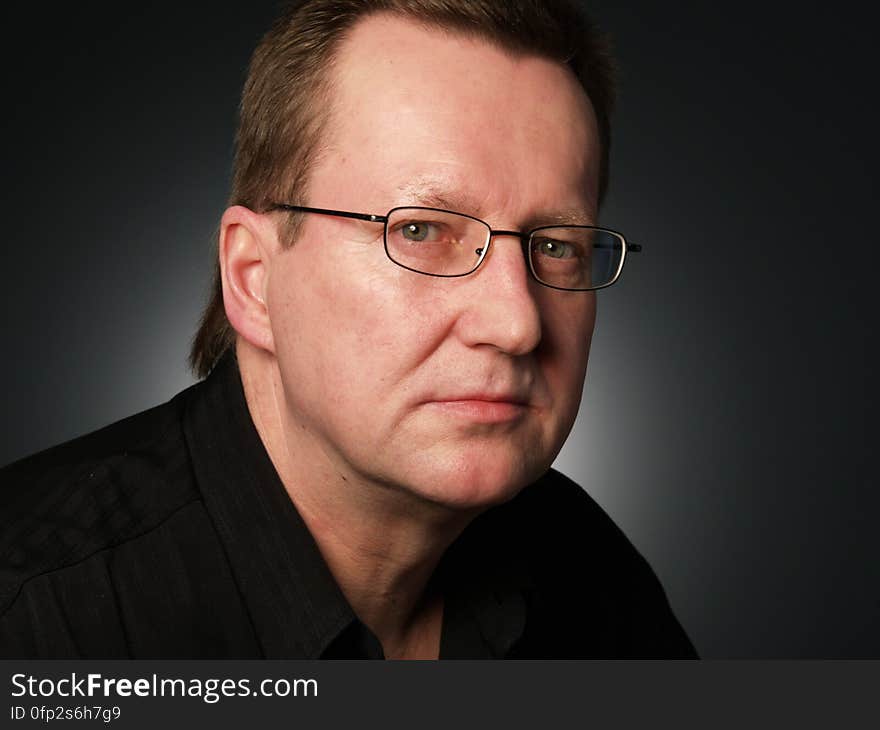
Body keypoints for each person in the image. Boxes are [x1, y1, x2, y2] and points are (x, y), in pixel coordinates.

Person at [0, 0, 696, 659]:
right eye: (421, 231)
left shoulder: (593, 577)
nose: (516, 324)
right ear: (254, 278)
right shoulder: (35, 617)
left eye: (555, 246)